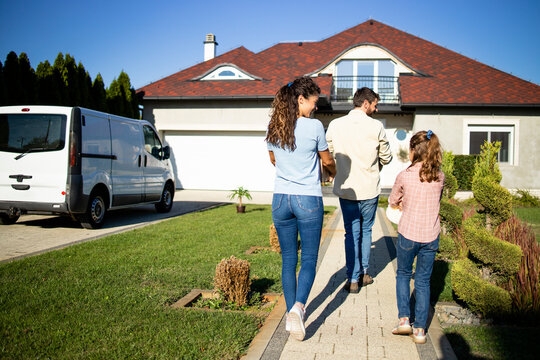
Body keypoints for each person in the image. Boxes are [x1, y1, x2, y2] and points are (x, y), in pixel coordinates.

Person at [266, 77, 336, 341]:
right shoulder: (315, 126)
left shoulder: (275, 125)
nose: (315, 108)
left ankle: (290, 314)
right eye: (314, 102)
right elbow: (326, 160)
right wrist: (332, 172)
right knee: (308, 259)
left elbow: (273, 159)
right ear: (300, 99)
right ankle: (298, 308)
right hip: (307, 198)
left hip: (281, 199)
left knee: (288, 260)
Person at [325, 87, 392, 293]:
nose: (376, 109)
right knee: (366, 231)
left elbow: (328, 154)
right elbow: (387, 157)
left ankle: (352, 279)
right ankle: (363, 273)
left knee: (350, 233)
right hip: (369, 189)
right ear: (365, 103)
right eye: (375, 104)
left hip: (347, 189)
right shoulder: (376, 126)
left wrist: (335, 172)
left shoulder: (335, 125)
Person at [388, 130, 444, 344]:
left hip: (408, 233)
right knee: (422, 280)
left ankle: (404, 319)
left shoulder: (404, 175)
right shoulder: (440, 177)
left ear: (413, 151)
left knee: (403, 273)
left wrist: (401, 203)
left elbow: (394, 200)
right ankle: (420, 330)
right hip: (431, 235)